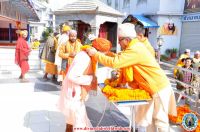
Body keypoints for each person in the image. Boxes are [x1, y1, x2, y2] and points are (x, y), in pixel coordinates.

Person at [86, 23, 177, 132]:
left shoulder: (135, 49)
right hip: (151, 88)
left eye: (120, 40)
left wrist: (96, 54)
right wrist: (107, 53)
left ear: (127, 40)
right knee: (150, 121)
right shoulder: (134, 47)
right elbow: (120, 57)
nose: (119, 43)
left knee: (160, 120)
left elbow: (116, 62)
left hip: (158, 87)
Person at [58, 38, 112, 132]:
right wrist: (92, 79)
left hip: (74, 91)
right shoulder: (85, 58)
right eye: (102, 54)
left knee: (73, 119)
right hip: (74, 92)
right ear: (97, 51)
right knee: (79, 121)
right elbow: (73, 76)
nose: (101, 57)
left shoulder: (87, 55)